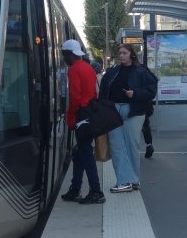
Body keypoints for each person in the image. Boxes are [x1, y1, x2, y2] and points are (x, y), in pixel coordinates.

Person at [99, 44, 157, 192]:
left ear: (132, 54)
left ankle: (134, 180)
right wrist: (104, 108)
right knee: (117, 147)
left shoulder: (141, 71)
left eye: (124, 53)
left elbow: (151, 91)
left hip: (134, 111)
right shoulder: (112, 72)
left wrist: (135, 94)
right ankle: (124, 181)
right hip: (114, 111)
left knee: (132, 145)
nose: (121, 56)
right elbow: (103, 90)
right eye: (119, 53)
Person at [60, 39, 104, 204]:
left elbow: (75, 97)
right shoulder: (88, 68)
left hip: (81, 115)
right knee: (79, 153)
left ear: (71, 54)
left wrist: (70, 117)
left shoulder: (74, 69)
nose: (64, 58)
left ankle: (96, 191)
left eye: (64, 55)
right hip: (90, 113)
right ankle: (75, 188)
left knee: (85, 153)